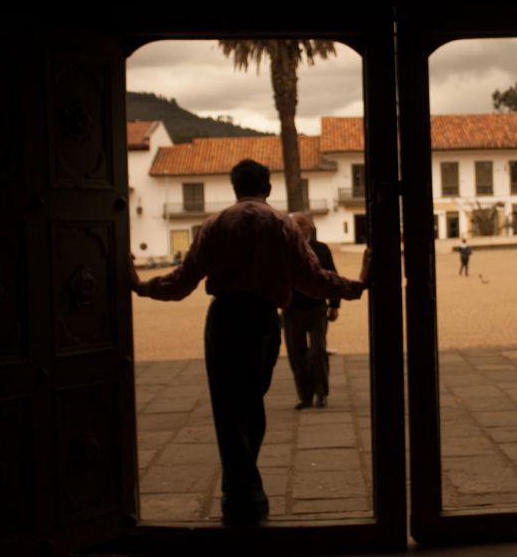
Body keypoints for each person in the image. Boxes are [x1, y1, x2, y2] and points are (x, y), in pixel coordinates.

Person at [128, 159, 368, 527]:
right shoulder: (282, 225)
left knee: (229, 410)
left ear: (234, 187)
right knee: (251, 406)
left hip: (224, 320)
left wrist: (141, 286)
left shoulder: (215, 225)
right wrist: (354, 288)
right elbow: (312, 279)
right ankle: (245, 496)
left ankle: (241, 497)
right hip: (261, 322)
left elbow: (182, 280)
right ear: (267, 188)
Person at [283, 213, 340, 410]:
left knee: (318, 351)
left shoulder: (321, 249)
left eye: (299, 224)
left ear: (309, 227)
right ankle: (305, 396)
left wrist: (335, 304)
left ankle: (321, 393)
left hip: (316, 308)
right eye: (292, 224)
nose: (295, 227)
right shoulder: (283, 249)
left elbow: (331, 276)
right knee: (296, 355)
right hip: (291, 310)